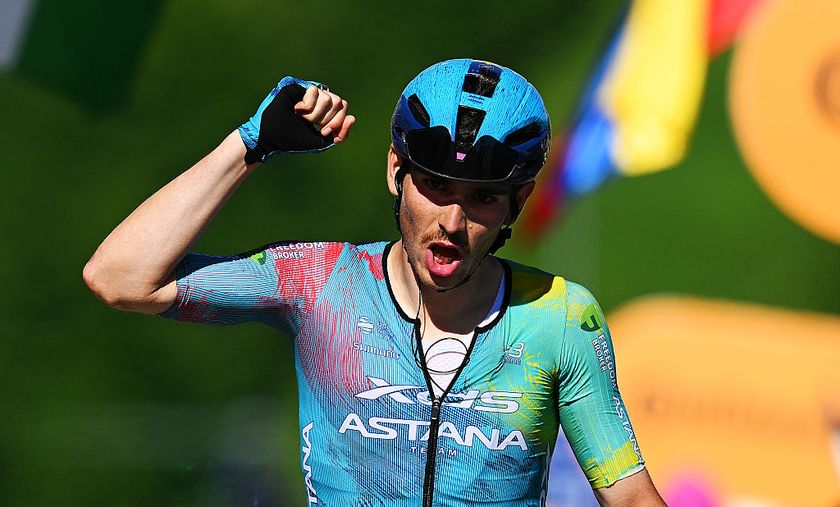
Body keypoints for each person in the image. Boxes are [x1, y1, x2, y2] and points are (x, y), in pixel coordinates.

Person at [83, 59, 666, 506]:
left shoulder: (559, 317)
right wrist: (250, 144)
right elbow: (120, 278)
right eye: (435, 186)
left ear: (518, 202)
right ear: (396, 173)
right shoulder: (318, 283)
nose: (453, 223)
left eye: (483, 198)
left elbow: (631, 496)